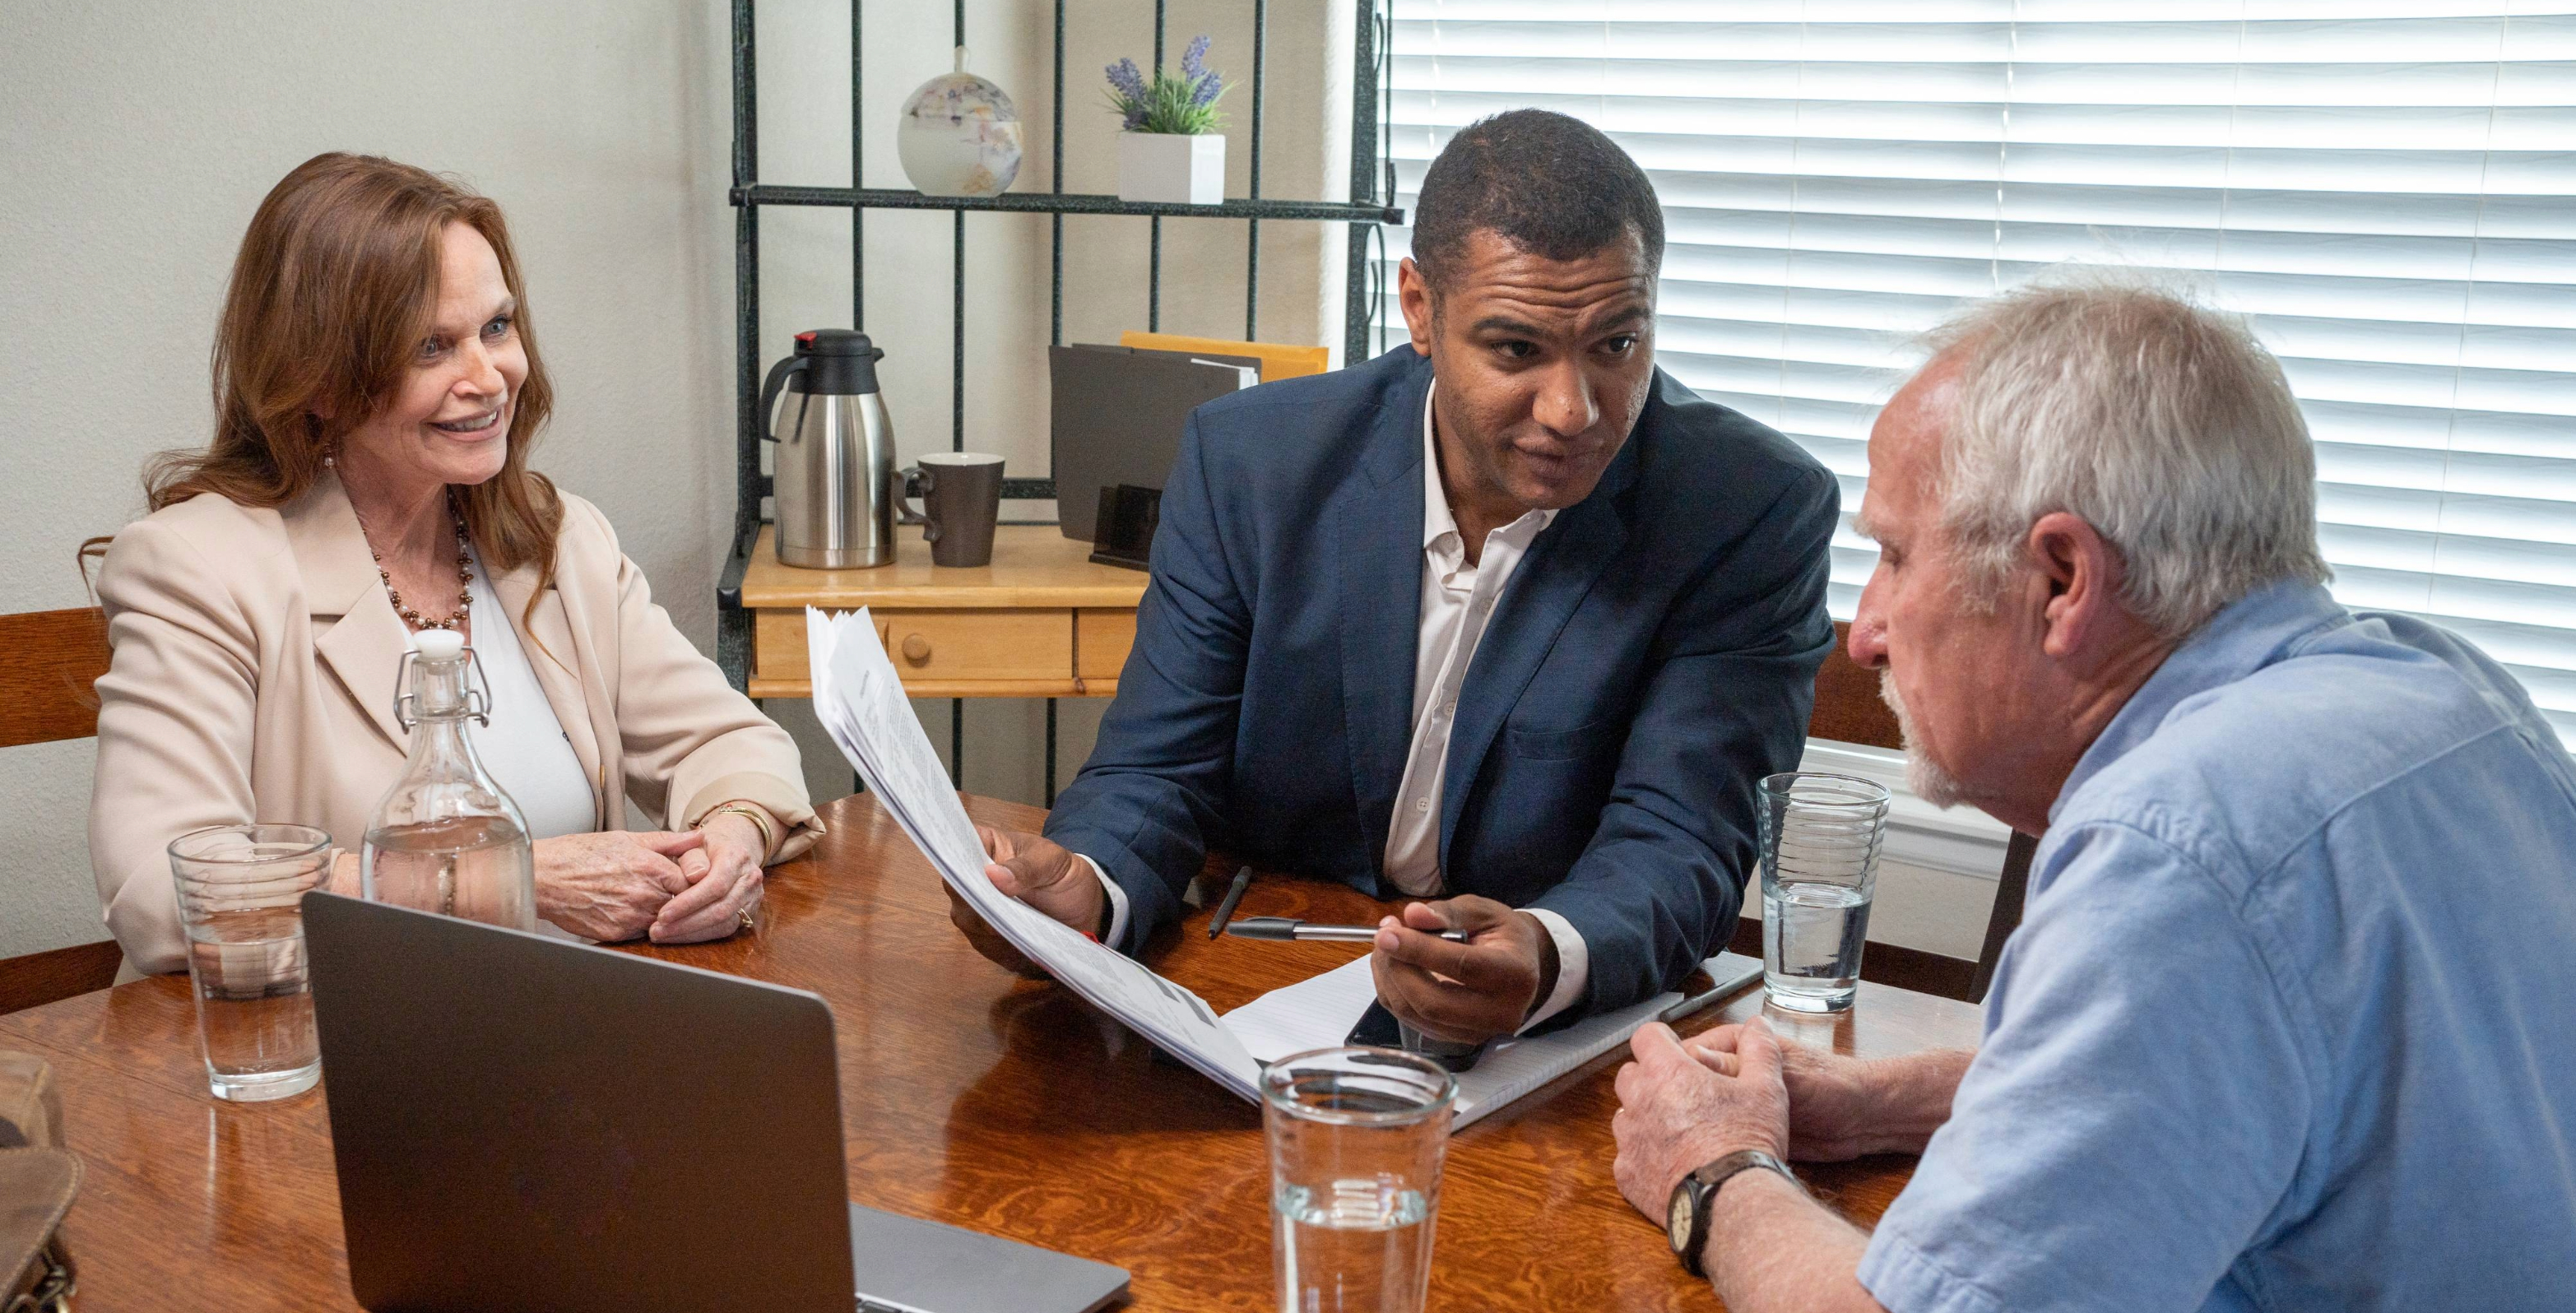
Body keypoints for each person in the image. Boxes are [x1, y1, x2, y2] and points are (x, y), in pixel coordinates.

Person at [1609, 281, 2576, 1313]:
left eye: (1893, 556)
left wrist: (1714, 1168)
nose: (1866, 629)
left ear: (2061, 579)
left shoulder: (2178, 839)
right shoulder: (2441, 691)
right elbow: (2293, 1082)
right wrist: (1904, 1101)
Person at [946, 109, 1840, 1042]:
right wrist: (1080, 892)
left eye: (1615, 345)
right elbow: (1158, 770)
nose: (1573, 410)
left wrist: (1543, 953)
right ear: (1418, 308)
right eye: (1516, 349)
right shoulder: (1254, 463)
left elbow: (1681, 841)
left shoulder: (1746, 509)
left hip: (1551, 1043)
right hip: (1246, 974)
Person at [91, 153, 822, 977]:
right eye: (432, 347)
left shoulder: (556, 535)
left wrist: (729, 841)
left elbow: (729, 743)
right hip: (311, 1053)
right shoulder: (194, 566)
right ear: (321, 382)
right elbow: (159, 887)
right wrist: (500, 882)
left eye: (497, 329)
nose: (489, 379)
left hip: (558, 1028)